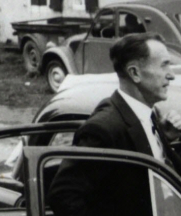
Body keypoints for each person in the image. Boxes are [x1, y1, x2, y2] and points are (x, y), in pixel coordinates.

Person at [48, 33, 181, 216]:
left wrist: (166, 140)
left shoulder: (148, 114)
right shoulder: (103, 129)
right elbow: (63, 195)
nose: (171, 75)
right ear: (134, 73)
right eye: (164, 65)